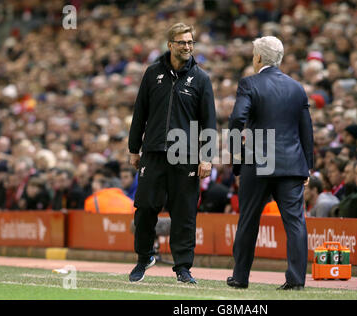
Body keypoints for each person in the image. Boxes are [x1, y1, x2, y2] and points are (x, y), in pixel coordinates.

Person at [127, 23, 216, 284]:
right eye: (182, 42)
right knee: (144, 208)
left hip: (185, 156)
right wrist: (134, 149)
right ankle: (144, 258)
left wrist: (206, 155)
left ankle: (183, 267)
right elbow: (139, 113)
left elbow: (209, 122)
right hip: (153, 152)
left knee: (184, 213)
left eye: (190, 42)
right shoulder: (152, 73)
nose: (187, 46)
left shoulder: (201, 79)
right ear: (170, 45)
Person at [227, 36, 313, 290]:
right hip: (292, 164)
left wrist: (238, 156)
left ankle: (240, 277)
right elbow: (306, 130)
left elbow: (236, 120)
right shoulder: (297, 87)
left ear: (258, 58)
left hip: (258, 161)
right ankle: (296, 280)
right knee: (295, 222)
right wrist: (306, 165)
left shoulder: (250, 83)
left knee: (249, 220)